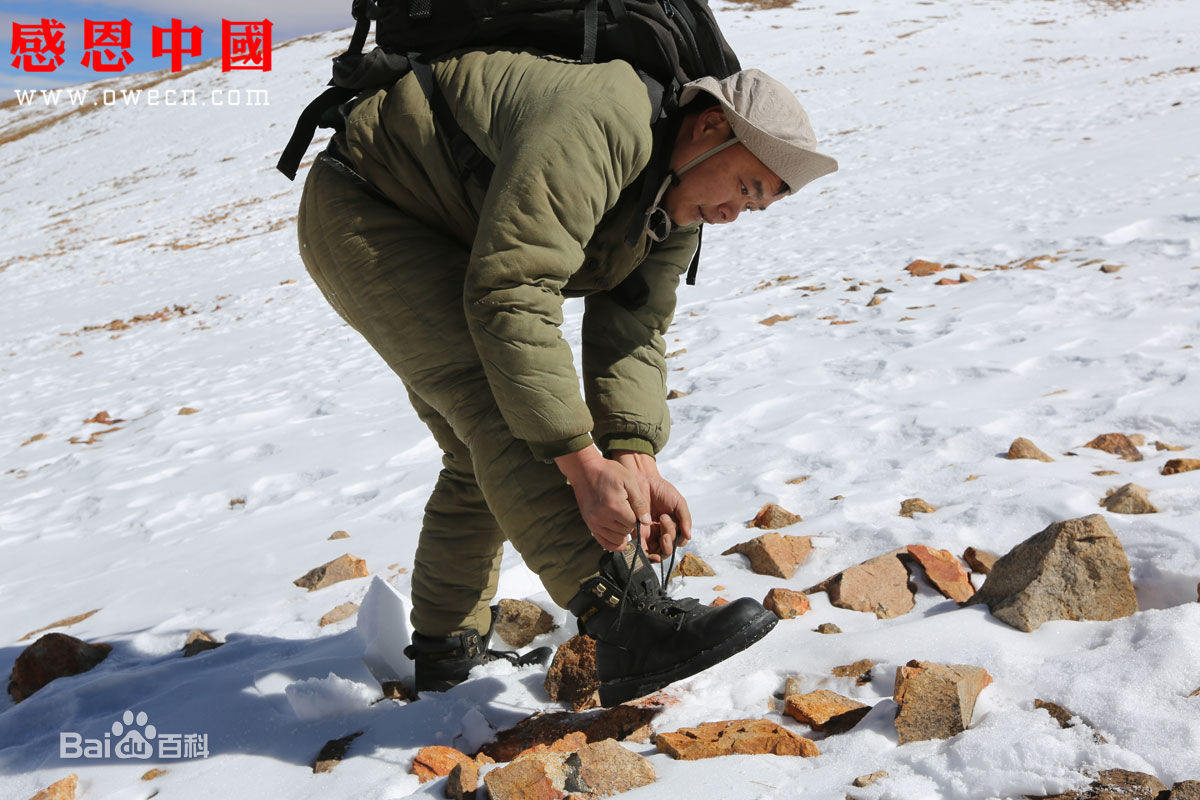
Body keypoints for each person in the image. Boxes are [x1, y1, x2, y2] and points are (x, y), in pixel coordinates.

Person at [295, 48, 837, 705]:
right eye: (744, 190)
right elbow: (514, 293)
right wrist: (584, 467)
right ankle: (626, 618)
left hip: (450, 226)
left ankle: (445, 649)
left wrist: (635, 458)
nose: (732, 215)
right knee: (497, 405)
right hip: (369, 205)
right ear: (709, 127)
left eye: (753, 209)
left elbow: (632, 329)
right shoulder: (599, 125)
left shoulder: (675, 205)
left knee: (478, 451)